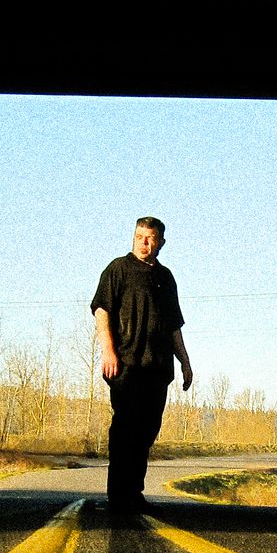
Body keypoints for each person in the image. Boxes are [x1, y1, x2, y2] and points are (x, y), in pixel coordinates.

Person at [91, 216, 193, 512]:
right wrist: (108, 351)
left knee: (147, 430)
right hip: (126, 364)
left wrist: (185, 362)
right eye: (139, 236)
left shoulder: (166, 278)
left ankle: (134, 493)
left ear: (161, 242)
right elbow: (102, 310)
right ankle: (118, 495)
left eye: (150, 238)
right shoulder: (118, 269)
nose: (143, 243)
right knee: (125, 427)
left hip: (157, 368)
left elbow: (174, 325)